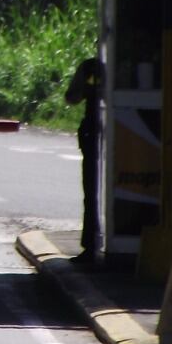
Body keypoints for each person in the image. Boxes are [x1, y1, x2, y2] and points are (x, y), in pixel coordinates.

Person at [64, 56, 103, 263]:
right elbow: (71, 96)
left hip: (111, 133)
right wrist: (91, 90)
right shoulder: (91, 67)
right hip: (93, 134)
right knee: (91, 192)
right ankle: (90, 244)